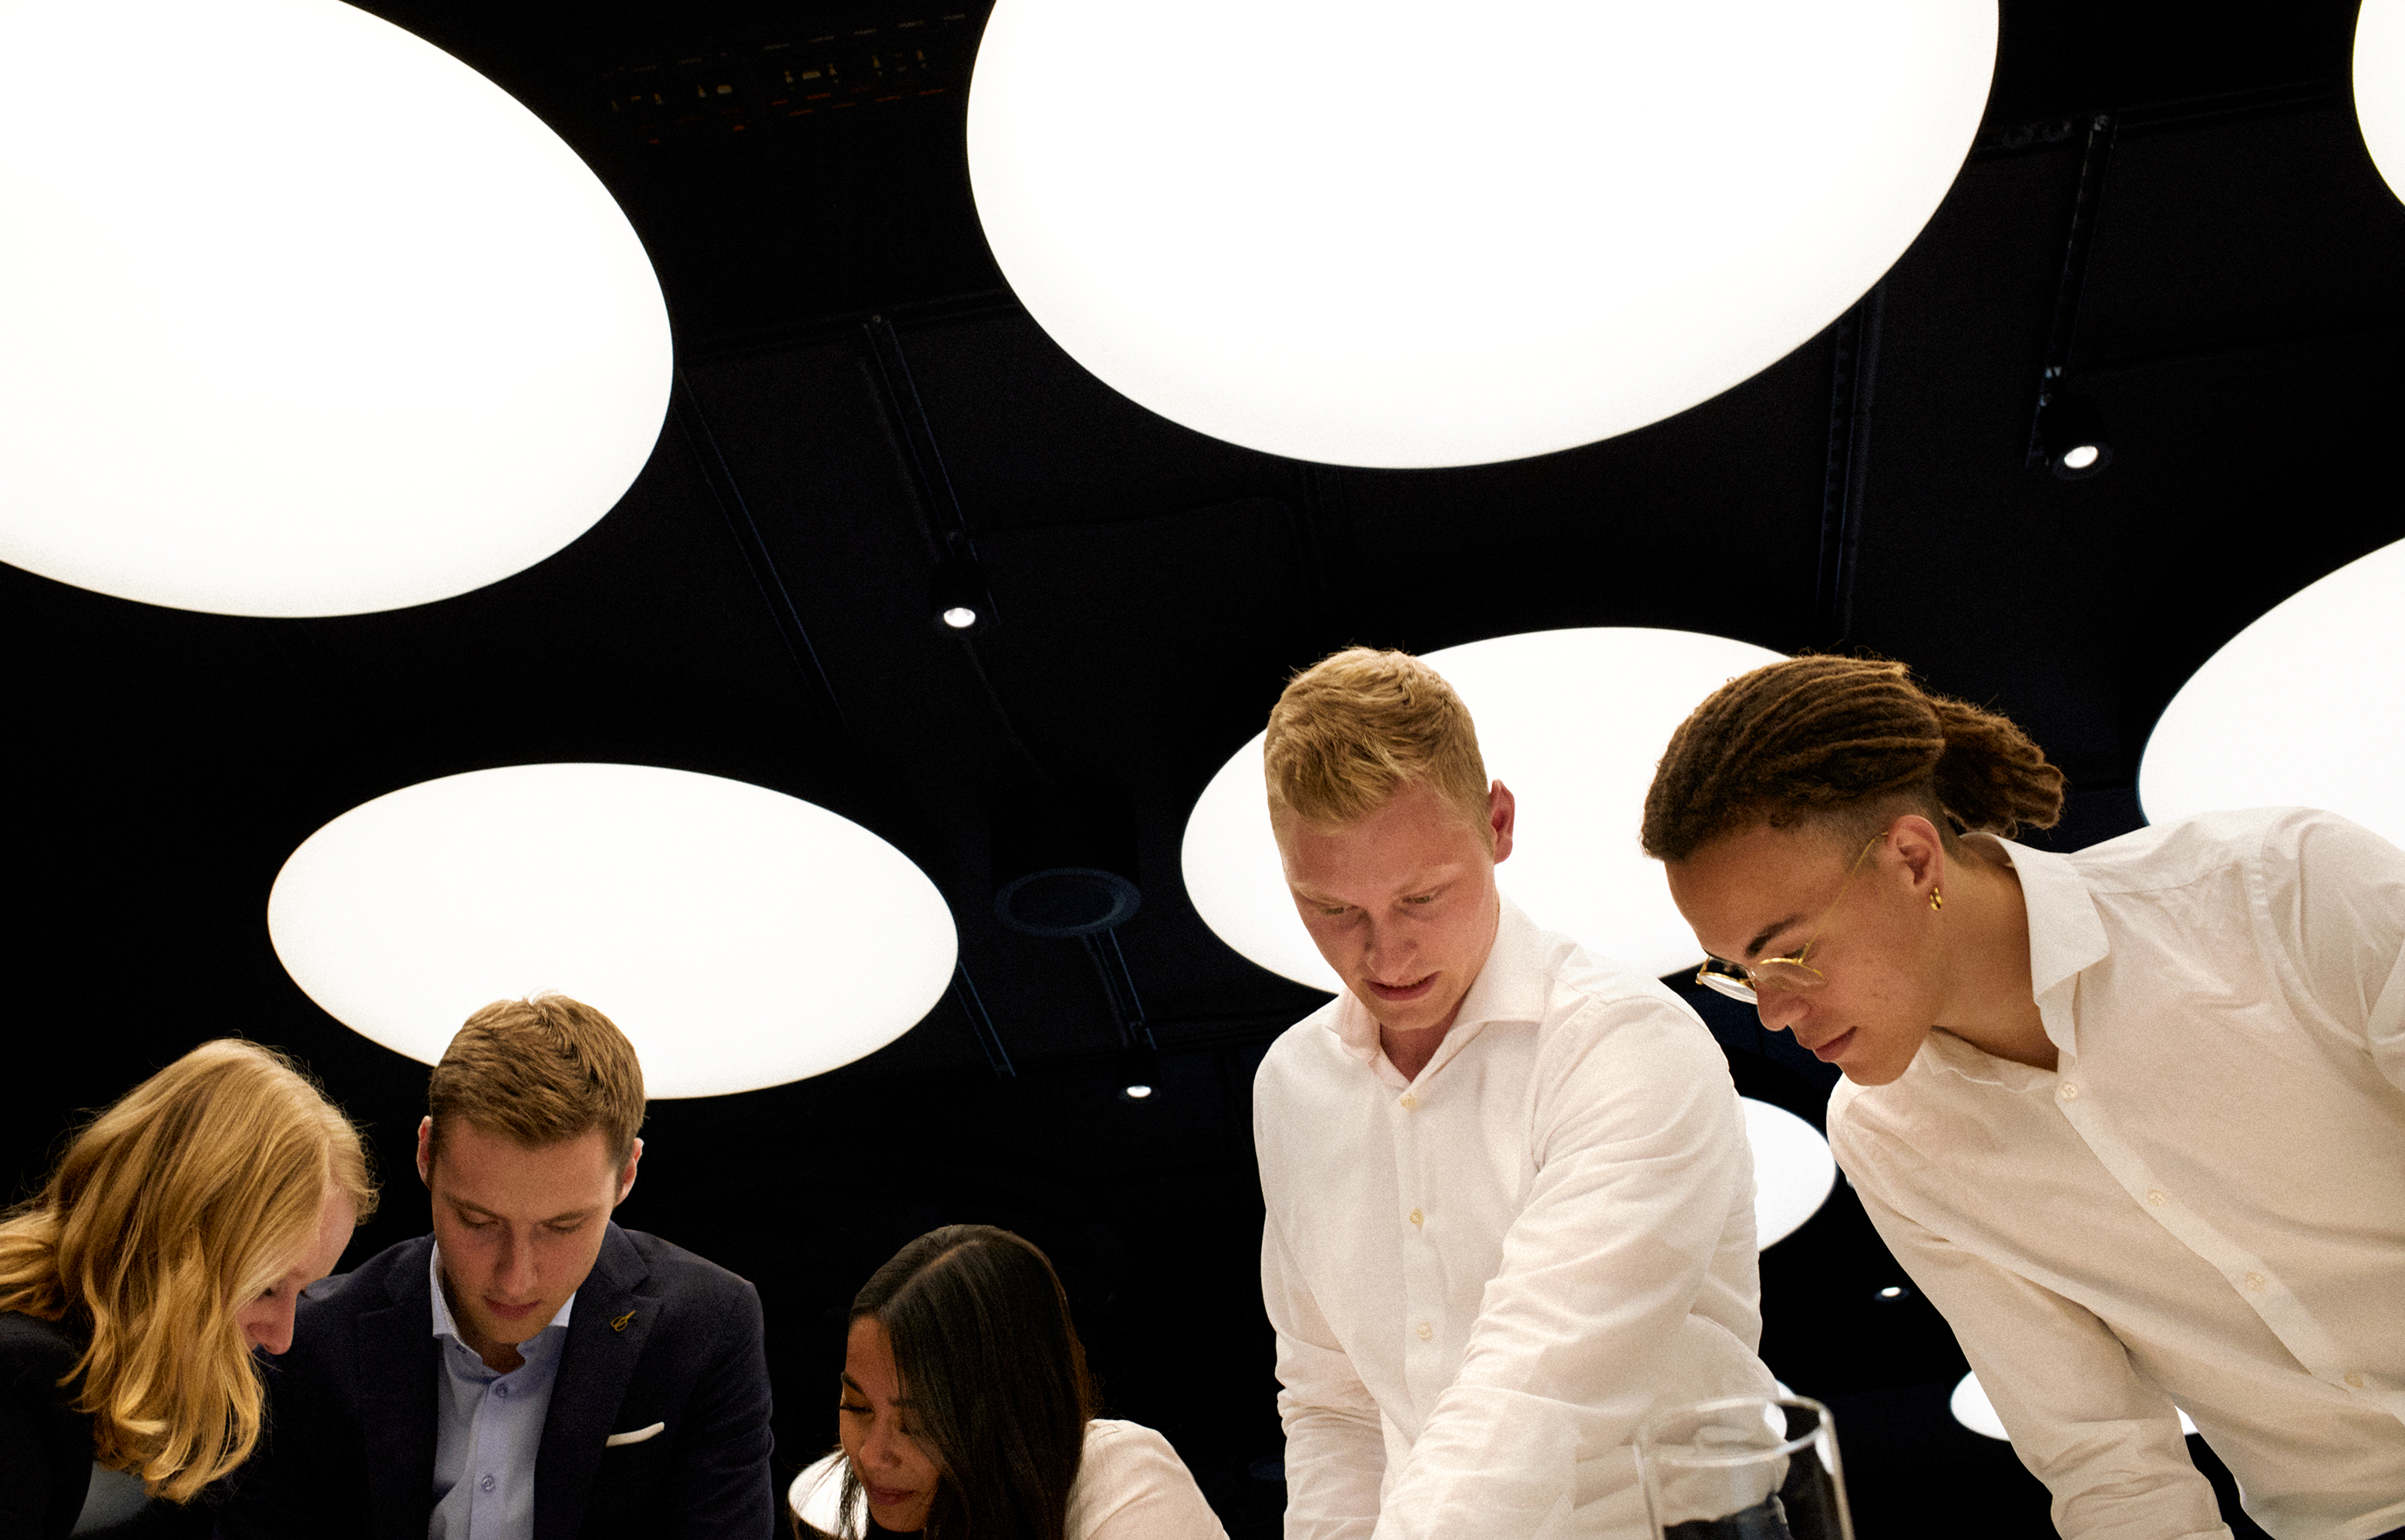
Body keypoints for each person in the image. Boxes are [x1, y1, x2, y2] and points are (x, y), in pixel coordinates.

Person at [1645, 652, 2405, 1539]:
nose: (1773, 1012)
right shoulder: (1890, 1137)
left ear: (1912, 858)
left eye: (1788, 952)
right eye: (1740, 973)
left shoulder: (2281, 887)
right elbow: (2110, 1468)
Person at [1253, 647, 1775, 1540]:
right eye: (1333, 909)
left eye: (1422, 896)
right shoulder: (1293, 1085)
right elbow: (1334, 1405)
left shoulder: (1624, 1040)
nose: (1384, 952)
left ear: (1498, 824)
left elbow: (1535, 1386)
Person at [217, 993, 772, 1540]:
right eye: (478, 1221)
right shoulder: (305, 1338)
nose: (515, 1279)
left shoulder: (709, 1328)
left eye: (563, 1227)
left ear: (626, 1175)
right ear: (426, 1155)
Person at [0, 1037, 375, 1539]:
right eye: (267, 1288)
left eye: (304, 1293)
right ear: (176, 1246)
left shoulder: (133, 1363)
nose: (281, 1338)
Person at [788, 1224, 1225, 1540]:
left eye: (918, 1424)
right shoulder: (929, 1511)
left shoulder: (1124, 1479)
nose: (871, 1454)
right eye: (857, 1407)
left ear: (1009, 1407)